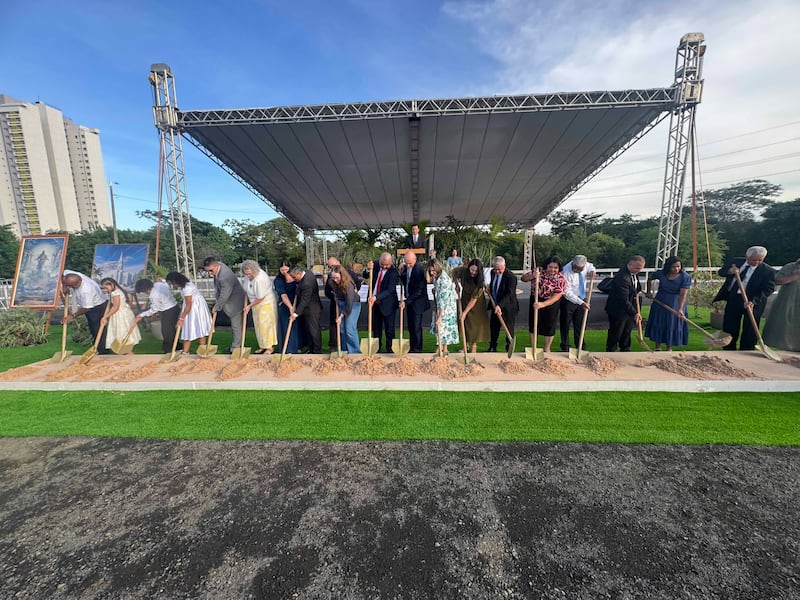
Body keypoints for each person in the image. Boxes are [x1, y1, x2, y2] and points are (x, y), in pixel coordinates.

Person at [712, 246, 776, 351]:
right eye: (754, 259)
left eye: (760, 260)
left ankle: (747, 350)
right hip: (734, 298)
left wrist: (753, 301)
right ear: (747, 257)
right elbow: (721, 272)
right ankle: (728, 349)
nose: (757, 262)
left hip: (754, 301)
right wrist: (730, 271)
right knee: (730, 325)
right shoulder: (736, 262)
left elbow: (768, 289)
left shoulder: (768, 271)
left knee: (750, 327)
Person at [644, 256, 692, 351]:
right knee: (659, 322)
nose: (676, 269)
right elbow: (650, 278)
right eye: (674, 267)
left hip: (676, 302)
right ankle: (657, 347)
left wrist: (680, 309)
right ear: (668, 267)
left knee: (671, 324)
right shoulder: (662, 273)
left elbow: (683, 294)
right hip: (660, 300)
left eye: (678, 266)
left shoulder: (685, 277)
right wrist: (649, 292)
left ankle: (669, 347)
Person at [522, 255, 567, 353]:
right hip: (536, 298)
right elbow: (523, 278)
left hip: (551, 302)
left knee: (550, 325)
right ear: (546, 266)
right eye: (550, 267)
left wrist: (543, 304)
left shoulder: (561, 278)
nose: (553, 269)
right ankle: (533, 347)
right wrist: (533, 276)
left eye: (555, 268)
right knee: (534, 323)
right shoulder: (538, 271)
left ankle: (547, 348)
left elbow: (557, 296)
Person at [202, 257, 247, 354]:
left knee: (236, 326)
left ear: (216, 265)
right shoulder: (219, 266)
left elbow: (224, 294)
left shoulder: (224, 277)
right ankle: (235, 346)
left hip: (236, 302)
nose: (209, 273)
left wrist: (216, 306)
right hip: (229, 300)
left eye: (211, 270)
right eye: (207, 271)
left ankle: (236, 348)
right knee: (235, 326)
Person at [61, 270, 109, 354]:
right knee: (92, 326)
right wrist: (64, 286)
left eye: (70, 286)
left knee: (97, 328)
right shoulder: (74, 275)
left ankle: (102, 350)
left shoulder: (86, 291)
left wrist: (72, 316)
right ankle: (98, 346)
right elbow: (63, 273)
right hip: (91, 305)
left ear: (77, 283)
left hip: (98, 306)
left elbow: (87, 308)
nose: (70, 287)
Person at [605, 255, 646, 352]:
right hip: (618, 309)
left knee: (627, 330)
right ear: (630, 264)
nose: (639, 270)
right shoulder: (622, 277)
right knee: (616, 332)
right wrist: (634, 313)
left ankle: (625, 348)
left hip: (628, 308)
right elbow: (623, 299)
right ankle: (611, 350)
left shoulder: (634, 274)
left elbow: (636, 288)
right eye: (637, 268)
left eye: (641, 268)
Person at [165, 271, 212, 354]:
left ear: (176, 281)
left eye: (172, 283)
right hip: (189, 306)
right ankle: (185, 352)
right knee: (187, 329)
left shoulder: (187, 288)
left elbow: (189, 305)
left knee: (200, 329)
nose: (172, 286)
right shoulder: (182, 286)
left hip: (196, 308)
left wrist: (182, 318)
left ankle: (203, 351)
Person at [451, 258, 490, 353]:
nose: (473, 272)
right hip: (465, 298)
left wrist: (464, 312)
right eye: (471, 269)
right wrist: (456, 284)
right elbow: (453, 271)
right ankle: (465, 345)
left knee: (474, 324)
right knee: (465, 322)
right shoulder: (463, 271)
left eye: (476, 271)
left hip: (476, 303)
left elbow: (474, 299)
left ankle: (474, 345)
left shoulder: (480, 283)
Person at [559, 254, 596, 352]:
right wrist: (581, 302)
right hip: (568, 300)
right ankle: (565, 346)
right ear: (572, 263)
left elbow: (591, 266)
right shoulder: (565, 272)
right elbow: (567, 292)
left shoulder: (586, 265)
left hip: (582, 298)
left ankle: (580, 346)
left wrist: (593, 271)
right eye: (575, 268)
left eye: (580, 269)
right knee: (565, 324)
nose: (577, 270)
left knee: (580, 324)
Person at [324, 257, 361, 353]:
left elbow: (349, 304)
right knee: (342, 329)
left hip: (353, 305)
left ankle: (355, 352)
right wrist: (335, 296)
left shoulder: (349, 285)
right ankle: (344, 350)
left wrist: (341, 316)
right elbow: (331, 292)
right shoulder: (332, 281)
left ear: (342, 275)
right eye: (333, 277)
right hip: (340, 303)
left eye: (337, 278)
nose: (335, 280)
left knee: (349, 328)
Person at [763, 258, 800, 351]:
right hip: (788, 300)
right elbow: (777, 280)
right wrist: (795, 276)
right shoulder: (790, 267)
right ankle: (784, 347)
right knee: (784, 323)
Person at [365, 252, 400, 353]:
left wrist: (376, 297)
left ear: (391, 262)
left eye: (387, 265)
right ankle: (376, 348)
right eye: (382, 264)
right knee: (376, 328)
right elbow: (365, 275)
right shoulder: (375, 265)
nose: (384, 266)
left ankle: (390, 349)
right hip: (375, 305)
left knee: (389, 329)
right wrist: (368, 269)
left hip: (388, 304)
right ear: (379, 261)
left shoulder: (393, 273)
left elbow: (390, 290)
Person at [241, 260, 278, 355]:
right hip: (254, 303)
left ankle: (269, 347)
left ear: (254, 270)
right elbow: (247, 288)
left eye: (249, 274)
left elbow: (261, 297)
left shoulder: (260, 279)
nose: (248, 275)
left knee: (265, 326)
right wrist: (248, 300)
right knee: (258, 326)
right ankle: (262, 346)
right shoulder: (247, 276)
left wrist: (249, 306)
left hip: (265, 303)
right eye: (246, 274)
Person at [134, 278, 180, 353]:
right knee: (171, 330)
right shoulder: (158, 284)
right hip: (175, 307)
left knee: (166, 332)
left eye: (144, 291)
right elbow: (166, 284)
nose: (145, 293)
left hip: (168, 311)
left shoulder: (153, 295)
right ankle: (177, 347)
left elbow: (154, 309)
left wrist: (142, 315)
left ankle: (168, 351)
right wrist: (163, 280)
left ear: (146, 289)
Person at [486, 256, 519, 353]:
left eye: (499, 270)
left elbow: (510, 294)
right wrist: (489, 290)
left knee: (509, 328)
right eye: (495, 269)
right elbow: (495, 286)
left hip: (508, 307)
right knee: (493, 327)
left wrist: (500, 305)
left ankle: (509, 347)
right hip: (495, 304)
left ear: (504, 266)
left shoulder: (511, 277)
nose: (497, 272)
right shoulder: (492, 273)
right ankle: (492, 346)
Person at [400, 251, 430, 353]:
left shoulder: (419, 270)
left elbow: (418, 291)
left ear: (415, 260)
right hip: (410, 301)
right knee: (411, 326)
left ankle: (417, 349)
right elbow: (406, 281)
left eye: (410, 263)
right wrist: (402, 272)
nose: (408, 265)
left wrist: (406, 301)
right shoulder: (407, 268)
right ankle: (412, 347)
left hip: (417, 302)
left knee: (416, 327)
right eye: (406, 263)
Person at [99, 277, 141, 351]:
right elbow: (109, 305)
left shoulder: (115, 293)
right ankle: (126, 350)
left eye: (106, 288)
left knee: (121, 334)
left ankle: (126, 351)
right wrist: (104, 316)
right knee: (124, 333)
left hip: (120, 315)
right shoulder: (118, 291)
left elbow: (115, 307)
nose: (105, 290)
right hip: (125, 313)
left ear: (112, 284)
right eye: (103, 288)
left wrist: (106, 317)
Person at [428, 258, 459, 354]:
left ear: (438, 268)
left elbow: (443, 299)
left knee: (444, 328)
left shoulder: (444, 280)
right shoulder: (437, 278)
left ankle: (443, 349)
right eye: (430, 271)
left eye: (433, 270)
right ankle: (442, 349)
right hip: (440, 305)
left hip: (446, 308)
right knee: (441, 329)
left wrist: (440, 316)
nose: (432, 273)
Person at [289, 265, 323, 353]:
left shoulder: (307, 283)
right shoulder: (308, 273)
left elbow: (305, 300)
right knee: (308, 330)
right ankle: (310, 348)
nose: (293, 279)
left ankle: (316, 351)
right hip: (307, 309)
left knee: (314, 331)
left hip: (312, 309)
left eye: (294, 277)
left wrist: (295, 314)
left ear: (299, 273)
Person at [274, 260, 304, 354]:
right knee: (287, 325)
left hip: (297, 304)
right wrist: (290, 307)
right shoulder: (278, 280)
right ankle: (288, 349)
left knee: (298, 326)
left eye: (286, 269)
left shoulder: (296, 278)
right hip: (285, 304)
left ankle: (299, 346)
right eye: (282, 270)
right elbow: (283, 295)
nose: (284, 272)